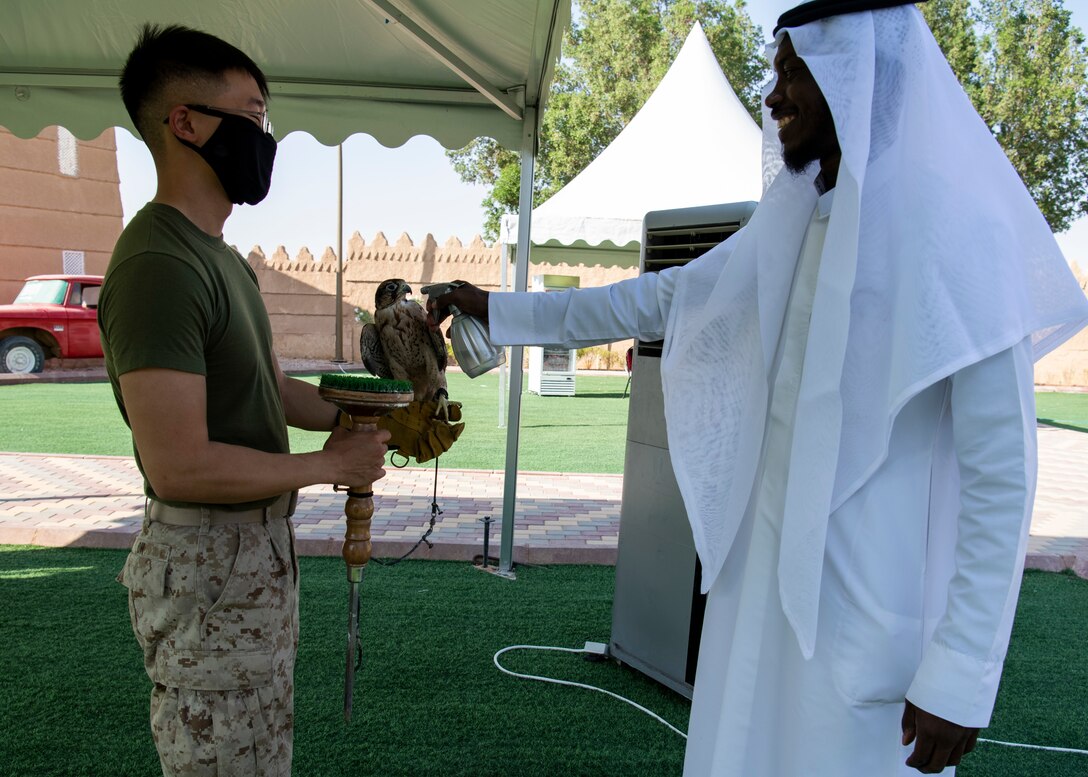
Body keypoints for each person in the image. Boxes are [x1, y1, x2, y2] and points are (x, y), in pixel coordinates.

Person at [429, 1, 1088, 774]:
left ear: (857, 74)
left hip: (863, 623)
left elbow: (1002, 471)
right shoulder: (792, 223)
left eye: (793, 71)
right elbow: (657, 298)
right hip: (754, 604)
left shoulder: (961, 234)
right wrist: (498, 308)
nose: (773, 97)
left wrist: (963, 674)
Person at [99, 24, 390, 776]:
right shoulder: (159, 263)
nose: (264, 139)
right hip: (205, 561)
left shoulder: (224, 258)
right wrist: (330, 461)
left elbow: (274, 389)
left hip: (253, 555)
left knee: (259, 753)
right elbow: (181, 468)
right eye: (253, 117)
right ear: (186, 122)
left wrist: (375, 418)